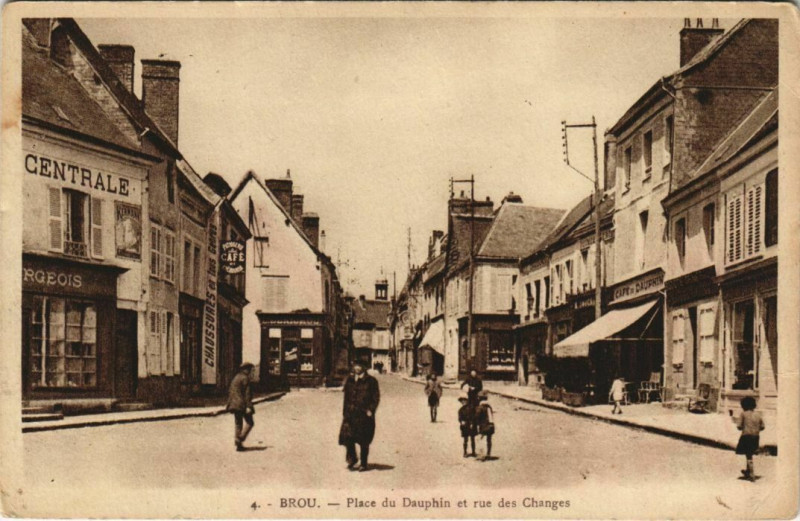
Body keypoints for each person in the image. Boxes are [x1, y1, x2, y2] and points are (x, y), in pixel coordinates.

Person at [339, 359, 381, 471]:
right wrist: (345, 412)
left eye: (359, 366)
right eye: (355, 366)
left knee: (364, 440)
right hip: (351, 414)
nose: (357, 368)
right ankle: (352, 459)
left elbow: (376, 397)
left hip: (364, 414)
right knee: (348, 437)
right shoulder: (350, 380)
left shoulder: (371, 381)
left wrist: (371, 410)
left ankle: (363, 463)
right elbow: (346, 398)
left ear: (364, 367)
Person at [227, 362, 255, 452]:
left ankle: (239, 446)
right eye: (250, 370)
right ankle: (240, 438)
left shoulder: (236, 377)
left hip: (234, 404)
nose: (250, 372)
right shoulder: (245, 378)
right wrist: (249, 406)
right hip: (242, 404)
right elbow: (247, 394)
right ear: (246, 370)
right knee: (250, 423)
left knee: (238, 424)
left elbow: (231, 391)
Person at [735, 396, 765, 482]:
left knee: (748, 455)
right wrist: (755, 429)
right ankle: (748, 471)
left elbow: (739, 426)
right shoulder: (758, 415)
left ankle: (751, 473)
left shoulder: (743, 414)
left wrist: (744, 427)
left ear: (743, 405)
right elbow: (762, 427)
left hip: (746, 436)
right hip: (756, 437)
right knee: (750, 453)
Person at [474, 391, 495, 460]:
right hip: (491, 425)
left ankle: (481, 455)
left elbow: (477, 417)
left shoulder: (480, 407)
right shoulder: (489, 407)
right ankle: (488, 454)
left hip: (483, 426)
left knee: (480, 439)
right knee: (489, 440)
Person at [457, 392, 477, 458]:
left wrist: (472, 423)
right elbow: (459, 418)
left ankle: (473, 452)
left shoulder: (471, 408)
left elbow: (474, 416)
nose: (463, 402)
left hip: (471, 425)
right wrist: (461, 421)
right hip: (465, 426)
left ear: (467, 400)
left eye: (464, 400)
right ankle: (465, 452)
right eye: (462, 401)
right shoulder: (460, 410)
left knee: (472, 439)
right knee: (465, 439)